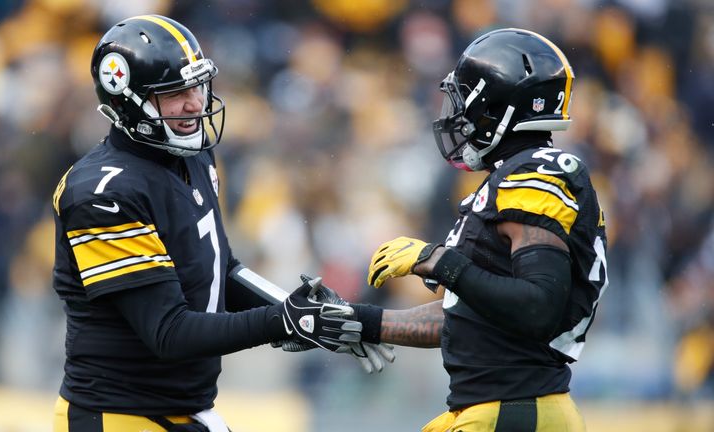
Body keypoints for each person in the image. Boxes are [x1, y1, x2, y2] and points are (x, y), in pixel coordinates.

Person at [50, 15, 392, 432]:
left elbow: (220, 271)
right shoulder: (102, 192)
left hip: (185, 410)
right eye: (174, 93)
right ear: (126, 99)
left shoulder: (191, 155)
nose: (194, 103)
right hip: (121, 416)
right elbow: (169, 333)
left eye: (195, 85)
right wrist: (284, 320)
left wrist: (309, 312)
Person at [346, 28, 609, 431]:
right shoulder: (511, 176)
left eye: (463, 99)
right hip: (499, 409)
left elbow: (538, 306)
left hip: (515, 408)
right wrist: (359, 321)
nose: (455, 114)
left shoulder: (534, 174)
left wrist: (437, 261)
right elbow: (466, 316)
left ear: (496, 105)